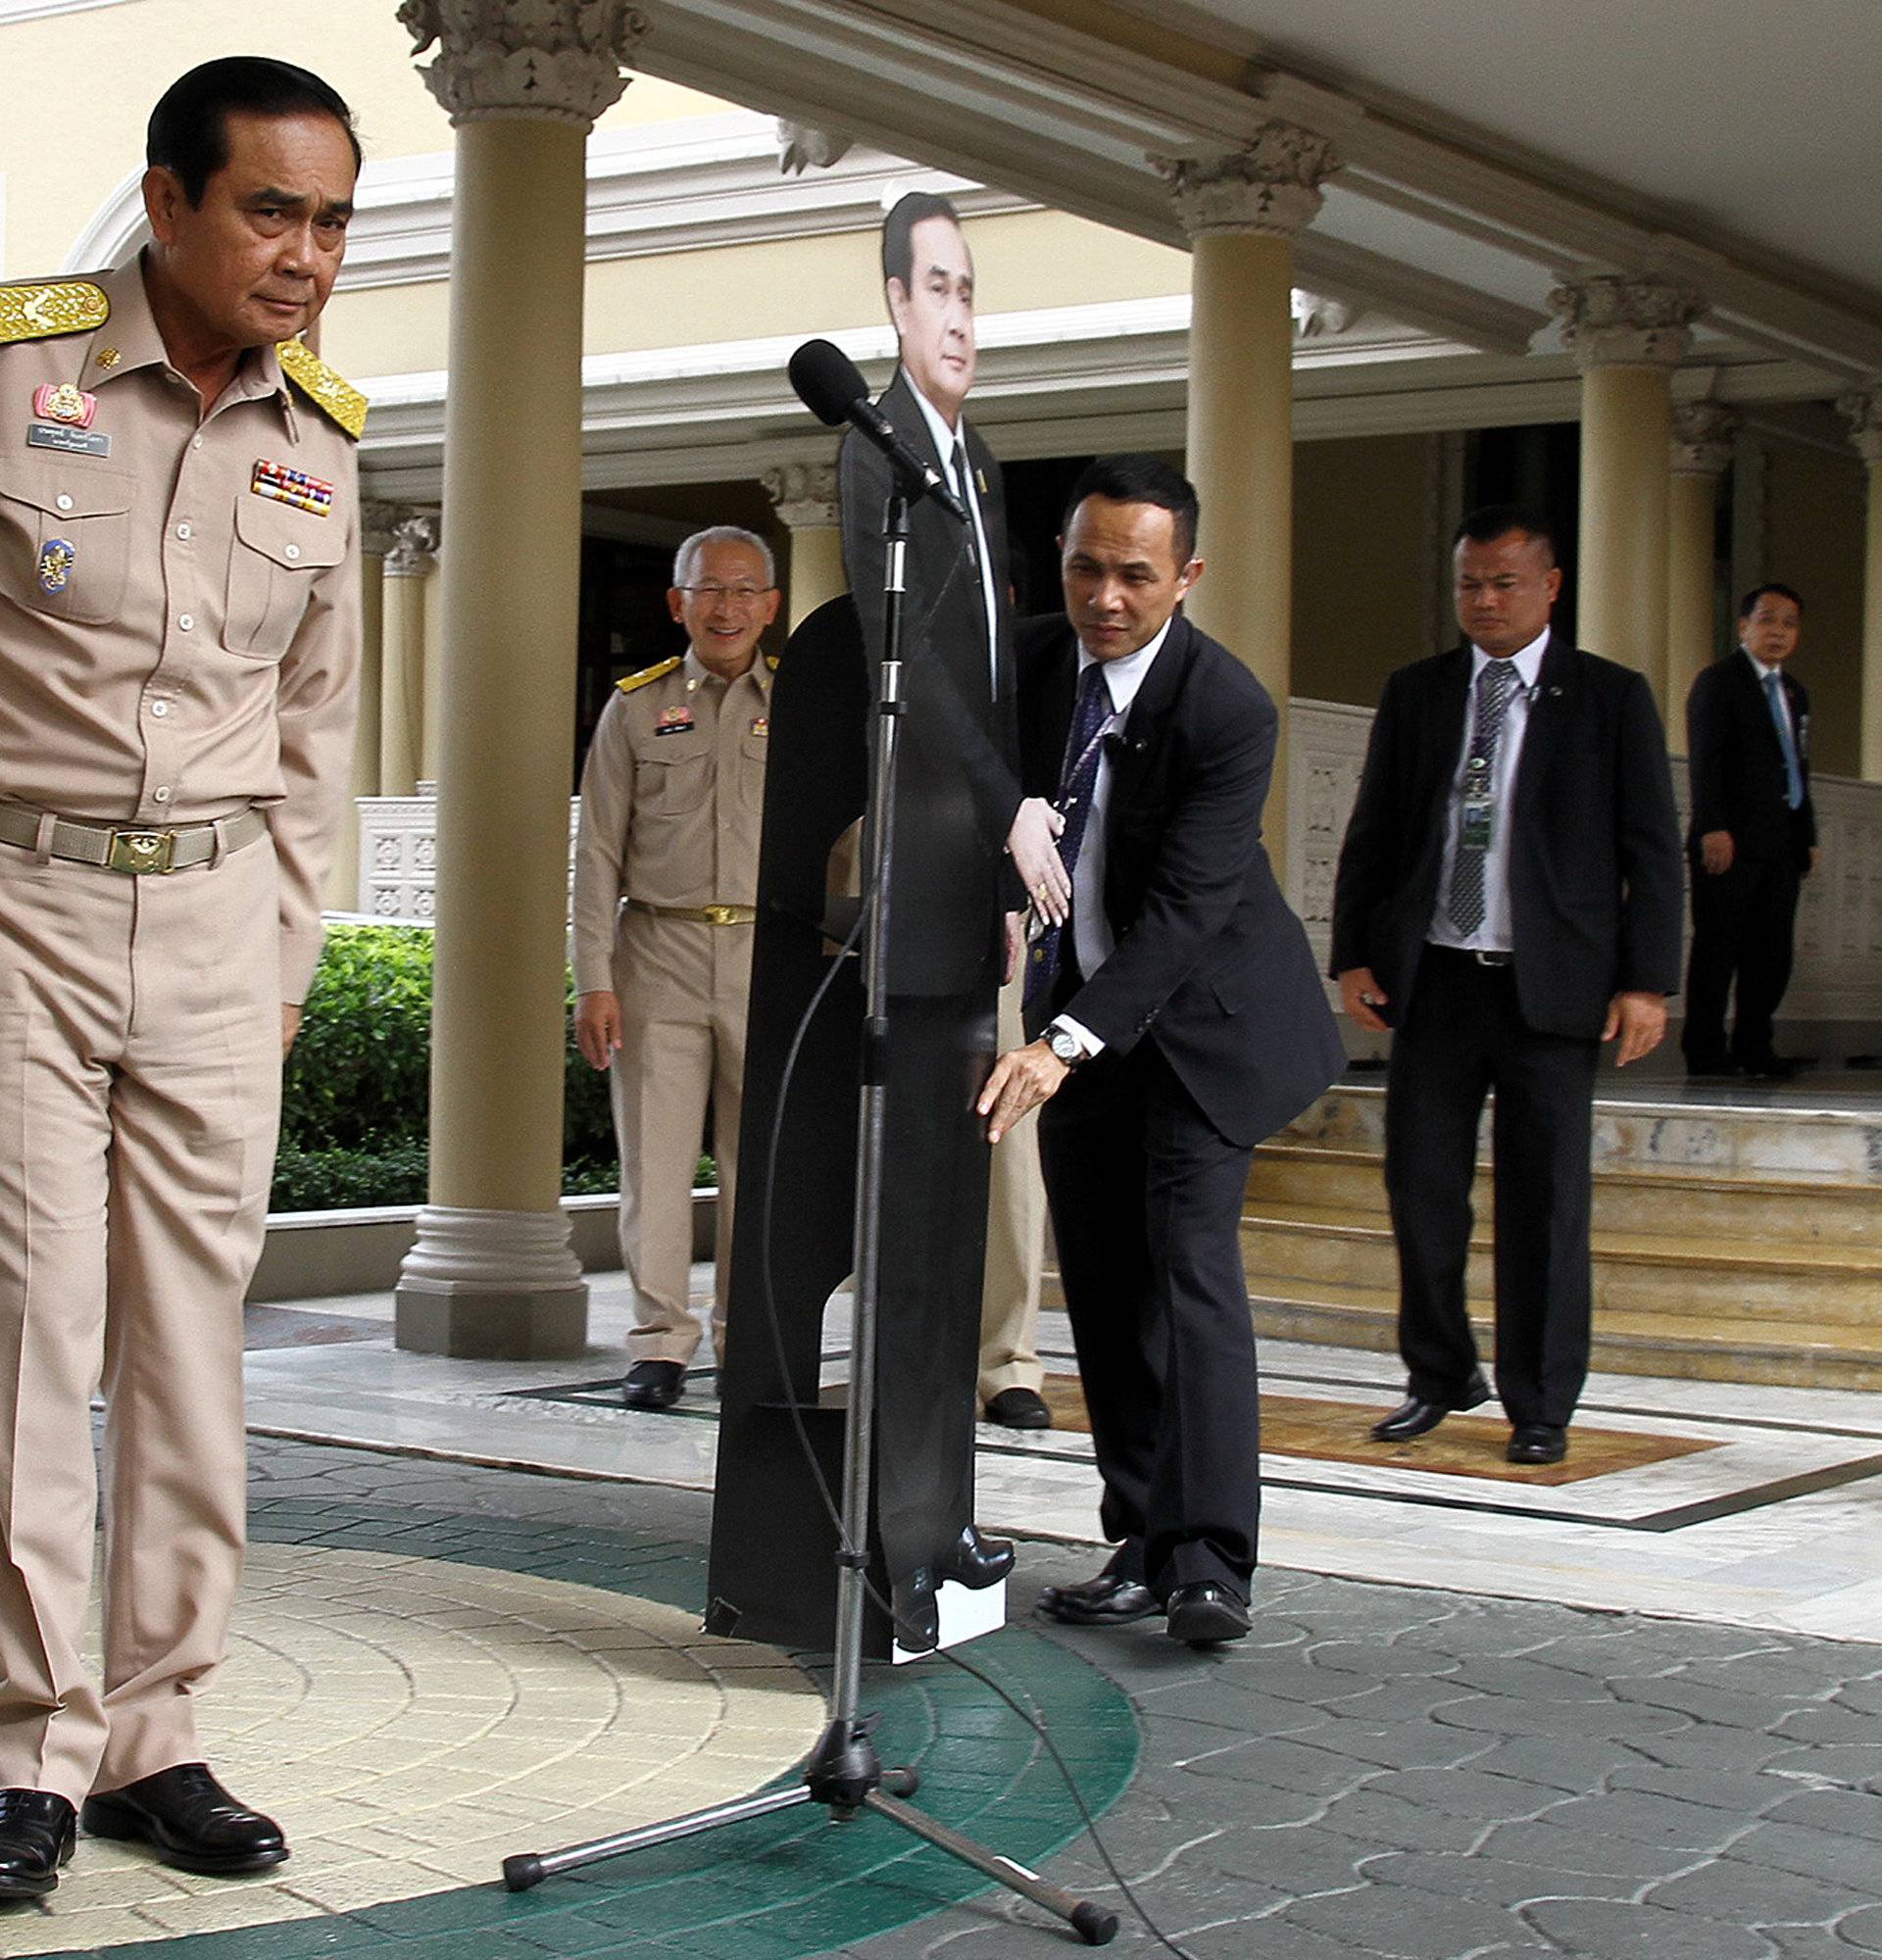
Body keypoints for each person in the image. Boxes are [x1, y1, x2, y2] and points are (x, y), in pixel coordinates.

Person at [0, 58, 364, 1897]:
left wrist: (287, 959)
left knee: (189, 1353)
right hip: (23, 917)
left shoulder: (326, 444)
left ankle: (156, 1735)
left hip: (220, 937)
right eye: (270, 211)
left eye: (331, 222)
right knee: (34, 1332)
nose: (304, 256)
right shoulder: (17, 376)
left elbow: (317, 731)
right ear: (167, 205)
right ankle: (21, 1749)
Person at [979, 456, 1344, 1648]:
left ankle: (1210, 1563)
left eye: (1135, 573)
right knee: (1104, 1282)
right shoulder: (1034, 665)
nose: (1105, 596)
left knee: (1188, 1277)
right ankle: (1138, 1539)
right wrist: (1006, 812)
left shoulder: (1226, 706)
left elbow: (1188, 907)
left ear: (1185, 576)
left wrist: (1059, 1046)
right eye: (1086, 566)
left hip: (1200, 1027)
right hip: (1081, 1010)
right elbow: (977, 769)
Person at [1331, 505, 1683, 1468]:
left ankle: (1540, 1399)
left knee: (1546, 1202)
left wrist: (1649, 981)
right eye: (1469, 584)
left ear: (1551, 585)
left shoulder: (1609, 697)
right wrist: (1355, 952)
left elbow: (1652, 851)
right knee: (1422, 1186)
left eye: (1504, 582)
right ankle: (1439, 1371)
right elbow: (1376, 831)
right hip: (1435, 981)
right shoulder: (1420, 692)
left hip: (1552, 992)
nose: (1484, 601)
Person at [836, 192, 1065, 1648]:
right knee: (908, 1242)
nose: (962, 313)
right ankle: (891, 1528)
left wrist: (1002, 878)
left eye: (974, 285)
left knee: (962, 1222)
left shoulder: (979, 460)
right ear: (895, 310)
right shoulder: (875, 452)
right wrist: (1004, 819)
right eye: (937, 287)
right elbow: (906, 654)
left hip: (964, 898)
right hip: (903, 891)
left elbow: (994, 679)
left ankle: (944, 1517)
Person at [572, 528, 781, 1409]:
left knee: (757, 1164)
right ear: (677, 602)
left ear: (771, 606)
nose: (726, 608)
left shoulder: (807, 705)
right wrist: (595, 979)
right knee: (655, 1163)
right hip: (656, 950)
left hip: (769, 957)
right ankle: (660, 1344)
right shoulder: (635, 707)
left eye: (745, 592)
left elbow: (845, 844)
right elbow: (597, 853)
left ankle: (750, 1339)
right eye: (708, 590)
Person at [1682, 584, 1818, 1079]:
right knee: (1719, 949)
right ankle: (1705, 1051)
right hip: (1730, 841)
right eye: (1768, 619)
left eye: (1789, 623)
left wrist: (1807, 834)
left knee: (1770, 953)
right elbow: (1707, 761)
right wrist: (1713, 826)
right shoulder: (1719, 682)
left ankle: (1755, 1047)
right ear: (1744, 626)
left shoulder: (1794, 692)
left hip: (1780, 843)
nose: (1778, 631)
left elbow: (1799, 766)